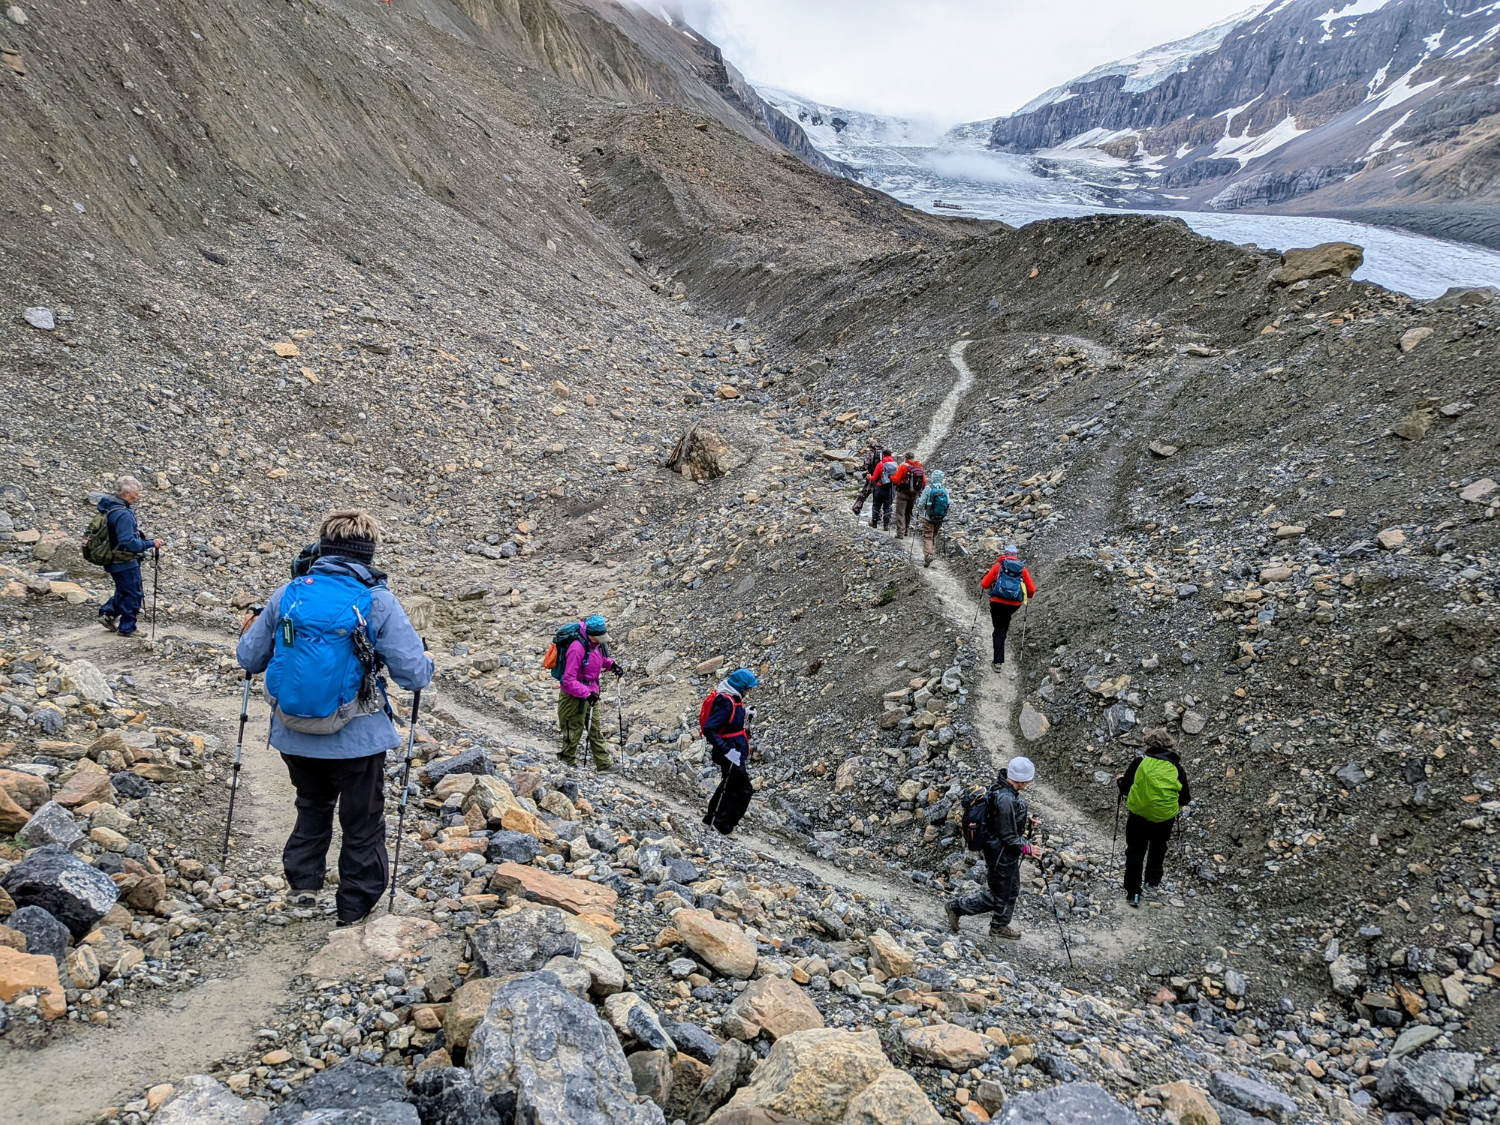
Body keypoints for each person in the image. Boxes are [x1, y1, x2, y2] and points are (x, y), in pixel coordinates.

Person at [236, 509, 433, 927]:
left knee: (311, 803)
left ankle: (304, 884)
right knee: (362, 820)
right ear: (368, 552)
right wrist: (428, 661)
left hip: (293, 732)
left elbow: (249, 658)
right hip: (357, 737)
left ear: (323, 547)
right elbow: (413, 674)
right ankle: (354, 906)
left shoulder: (288, 593)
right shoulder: (378, 600)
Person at [946, 757, 1039, 939]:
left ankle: (999, 925)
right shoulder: (1005, 798)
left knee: (1011, 889)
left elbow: (999, 818)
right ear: (1021, 779)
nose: (1029, 782)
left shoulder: (1002, 788)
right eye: (1028, 779)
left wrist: (1025, 819)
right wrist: (1028, 848)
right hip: (1000, 854)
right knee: (999, 894)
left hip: (1003, 852)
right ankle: (957, 907)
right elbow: (1008, 834)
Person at [1117, 729, 1192, 908]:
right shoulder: (1176, 767)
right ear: (1169, 745)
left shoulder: (1140, 762)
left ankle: (1133, 893)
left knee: (1135, 850)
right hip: (1165, 817)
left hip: (1139, 814)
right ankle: (1152, 880)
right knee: (1159, 845)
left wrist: (1120, 781)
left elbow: (1126, 788)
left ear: (1149, 743)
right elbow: (1185, 799)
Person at [90, 476, 165, 637]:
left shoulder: (110, 508)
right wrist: (150, 544)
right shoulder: (123, 514)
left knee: (124, 590)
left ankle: (108, 614)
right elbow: (128, 542)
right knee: (133, 593)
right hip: (123, 560)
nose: (137, 497)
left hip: (112, 558)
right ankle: (128, 627)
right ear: (126, 493)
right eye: (135, 494)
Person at [557, 615, 621, 770]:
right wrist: (586, 692)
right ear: (591, 635)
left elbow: (598, 659)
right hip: (573, 697)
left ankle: (604, 764)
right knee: (573, 729)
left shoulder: (593, 645)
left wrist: (612, 665)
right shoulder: (576, 648)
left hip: (590, 693)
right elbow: (568, 679)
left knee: (595, 729)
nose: (602, 642)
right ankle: (566, 762)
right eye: (599, 638)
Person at [701, 667, 758, 835]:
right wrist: (727, 751)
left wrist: (745, 712)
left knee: (729, 784)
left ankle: (712, 818)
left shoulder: (732, 699)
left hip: (733, 750)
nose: (750, 690)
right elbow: (709, 729)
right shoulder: (726, 702)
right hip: (729, 752)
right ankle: (723, 825)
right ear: (741, 687)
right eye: (748, 687)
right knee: (744, 789)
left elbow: (729, 719)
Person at [980, 544, 1035, 671]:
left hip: (997, 602)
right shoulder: (1022, 569)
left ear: (1004, 553)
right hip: (1014, 604)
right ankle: (1002, 640)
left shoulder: (998, 566)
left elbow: (984, 584)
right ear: (1016, 555)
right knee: (1004, 624)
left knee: (998, 629)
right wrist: (1026, 596)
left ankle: (998, 662)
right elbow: (1032, 589)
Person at [914, 469, 950, 568]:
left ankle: (928, 555)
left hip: (928, 517)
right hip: (940, 518)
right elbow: (949, 503)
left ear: (933, 478)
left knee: (928, 536)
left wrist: (918, 503)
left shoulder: (928, 488)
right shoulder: (945, 490)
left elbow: (920, 504)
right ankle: (929, 554)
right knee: (933, 536)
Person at [891, 453, 927, 540]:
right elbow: (924, 481)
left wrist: (890, 477)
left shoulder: (903, 466)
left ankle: (900, 533)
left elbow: (895, 479)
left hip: (903, 493)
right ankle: (906, 530)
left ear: (905, 458)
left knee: (900, 513)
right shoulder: (919, 466)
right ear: (913, 458)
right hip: (914, 493)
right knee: (908, 512)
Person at [850, 439, 883, 518]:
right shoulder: (883, 452)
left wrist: (856, 468)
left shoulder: (869, 453)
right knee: (878, 497)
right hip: (881, 478)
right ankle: (878, 514)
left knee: (864, 493)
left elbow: (865, 466)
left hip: (872, 477)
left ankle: (856, 508)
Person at [868, 448, 896, 531]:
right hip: (890, 488)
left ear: (883, 455)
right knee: (887, 507)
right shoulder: (895, 465)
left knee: (876, 505)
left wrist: (869, 477)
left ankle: (874, 522)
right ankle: (886, 524)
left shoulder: (881, 464)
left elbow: (874, 478)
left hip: (880, 487)